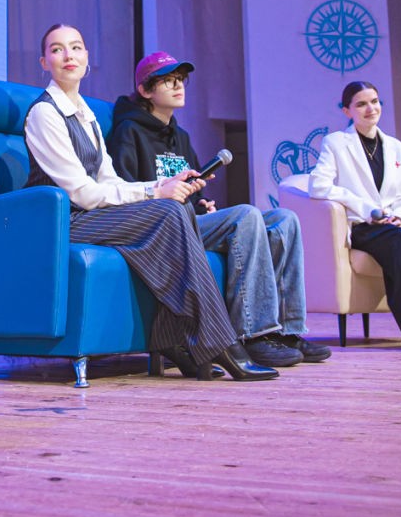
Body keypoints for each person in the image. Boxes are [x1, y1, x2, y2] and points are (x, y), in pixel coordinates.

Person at [23, 23, 276, 381]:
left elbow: (109, 181)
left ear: (87, 58)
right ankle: (219, 342)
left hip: (92, 215)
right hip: (65, 220)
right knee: (168, 210)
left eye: (76, 47)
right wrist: (154, 193)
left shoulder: (87, 115)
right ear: (44, 62)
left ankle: (175, 341)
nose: (68, 56)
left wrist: (163, 184)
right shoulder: (44, 113)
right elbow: (80, 193)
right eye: (57, 49)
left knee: (177, 207)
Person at [107, 51, 329, 367]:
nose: (178, 86)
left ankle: (287, 331)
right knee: (245, 215)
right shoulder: (128, 131)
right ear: (145, 90)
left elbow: (192, 188)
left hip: (190, 221)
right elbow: (126, 191)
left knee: (284, 219)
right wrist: (170, 197)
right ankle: (251, 333)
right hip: (162, 226)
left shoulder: (180, 136)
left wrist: (202, 204)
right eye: (168, 81)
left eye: (180, 79)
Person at [308, 81, 401, 354]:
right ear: (347, 111)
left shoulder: (395, 147)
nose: (371, 108)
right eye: (361, 104)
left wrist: (400, 217)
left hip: (392, 224)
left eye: (374, 101)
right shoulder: (336, 143)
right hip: (362, 226)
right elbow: (318, 186)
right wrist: (366, 208)